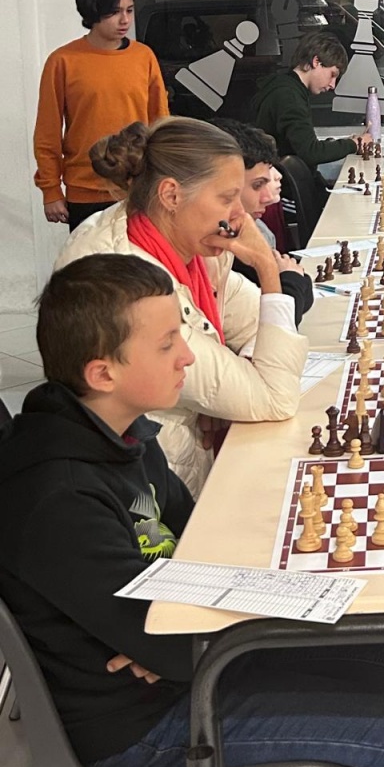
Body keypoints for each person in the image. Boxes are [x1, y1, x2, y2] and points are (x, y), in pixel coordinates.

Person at [0, 254, 384, 767]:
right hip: (137, 726)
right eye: (166, 344)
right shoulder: (57, 497)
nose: (187, 356)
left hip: (185, 661)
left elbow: (198, 539)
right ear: (102, 374)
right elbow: (167, 643)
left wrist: (168, 633)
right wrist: (168, 637)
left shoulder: (121, 430)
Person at [54, 117, 309, 496]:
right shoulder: (124, 278)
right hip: (146, 486)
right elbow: (275, 397)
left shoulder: (184, 237)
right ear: (171, 195)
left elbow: (260, 323)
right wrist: (268, 269)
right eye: (226, 198)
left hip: (182, 460)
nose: (239, 216)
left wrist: (224, 392)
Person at [33, 0, 168, 231]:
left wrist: (163, 177)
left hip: (138, 188)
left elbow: (160, 122)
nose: (124, 20)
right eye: (114, 12)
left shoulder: (144, 57)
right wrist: (51, 190)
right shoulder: (63, 61)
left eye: (129, 10)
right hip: (85, 190)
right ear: (92, 12)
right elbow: (48, 132)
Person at [212, 119, 314, 325]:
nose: (269, 198)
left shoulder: (245, 234)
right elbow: (279, 321)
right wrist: (289, 280)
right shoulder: (223, 245)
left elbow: (279, 318)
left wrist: (287, 280)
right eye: (257, 185)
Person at [253, 29, 372, 179]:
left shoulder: (286, 87)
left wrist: (346, 143)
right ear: (316, 62)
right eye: (332, 74)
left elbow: (301, 145)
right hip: (281, 186)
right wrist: (354, 144)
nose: (333, 85)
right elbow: (310, 152)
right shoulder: (289, 96)